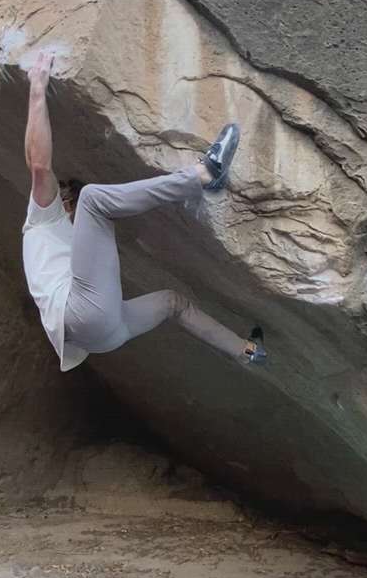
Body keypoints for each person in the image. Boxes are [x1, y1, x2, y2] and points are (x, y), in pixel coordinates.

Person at [22, 51, 267, 372]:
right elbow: (39, 166)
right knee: (94, 201)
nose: (74, 213)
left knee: (172, 303)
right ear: (64, 200)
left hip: (102, 336)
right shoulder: (43, 217)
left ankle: (248, 351)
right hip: (81, 314)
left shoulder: (60, 245)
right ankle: (203, 174)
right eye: (72, 200)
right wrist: (37, 88)